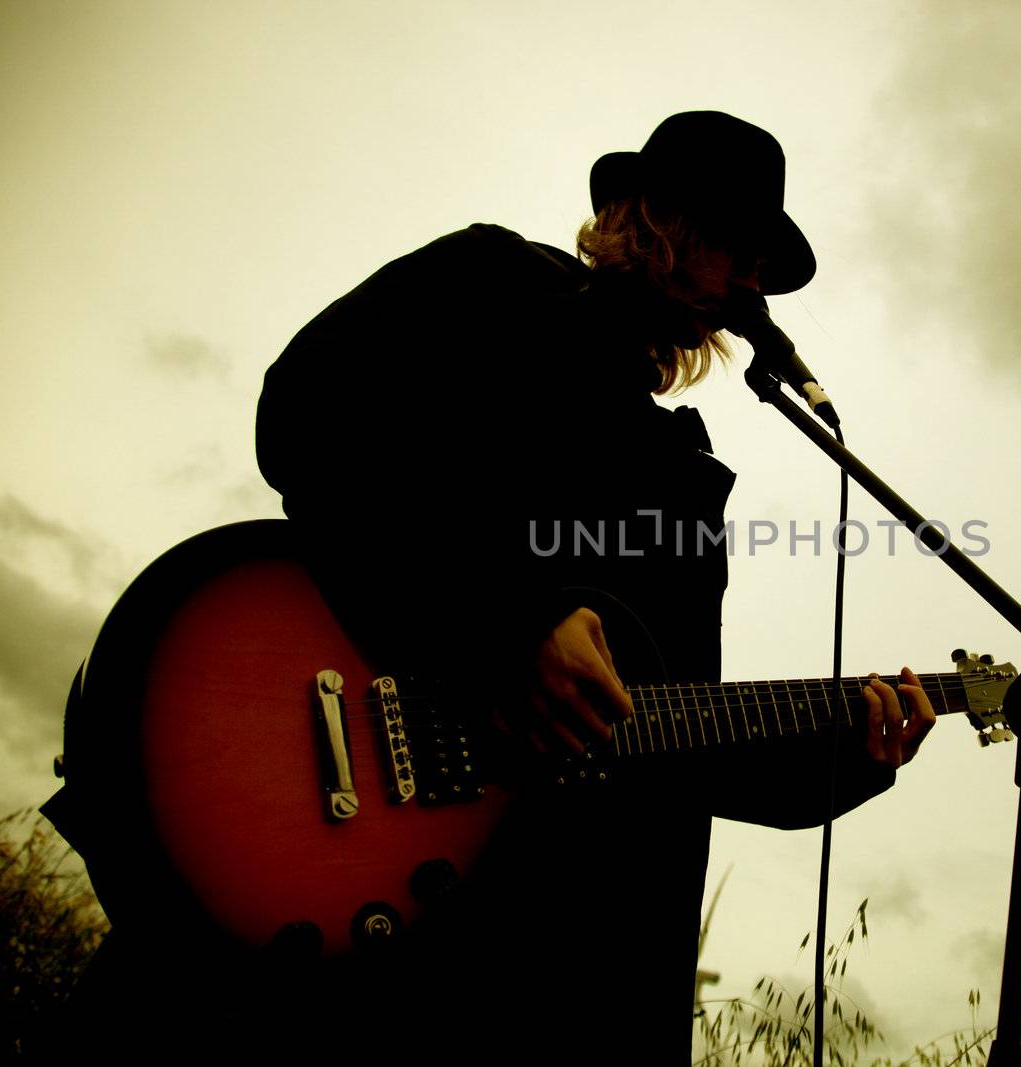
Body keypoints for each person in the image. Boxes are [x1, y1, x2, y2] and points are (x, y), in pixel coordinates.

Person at [73, 111, 937, 1060]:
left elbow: (659, 743)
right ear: (654, 218)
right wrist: (507, 620)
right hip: (341, 909)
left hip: (541, 973)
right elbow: (305, 409)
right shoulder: (494, 285)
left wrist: (849, 757)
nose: (750, 287)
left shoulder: (683, 478)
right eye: (738, 248)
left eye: (763, 270)